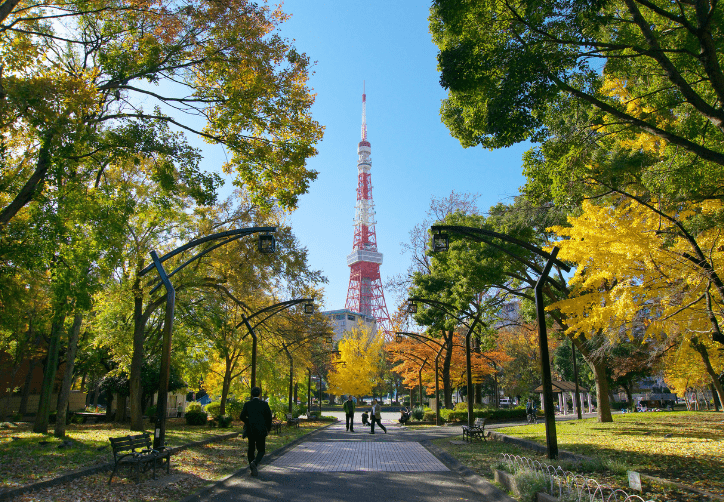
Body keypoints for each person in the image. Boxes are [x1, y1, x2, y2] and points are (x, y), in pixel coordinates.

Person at [239, 386, 272, 477]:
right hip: (261, 430)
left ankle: (252, 467)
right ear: (260, 394)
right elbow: (269, 418)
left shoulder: (247, 404)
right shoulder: (264, 404)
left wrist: (248, 421)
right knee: (261, 449)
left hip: (251, 429)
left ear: (251, 394)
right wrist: (268, 428)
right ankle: (255, 462)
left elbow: (241, 416)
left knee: (251, 449)